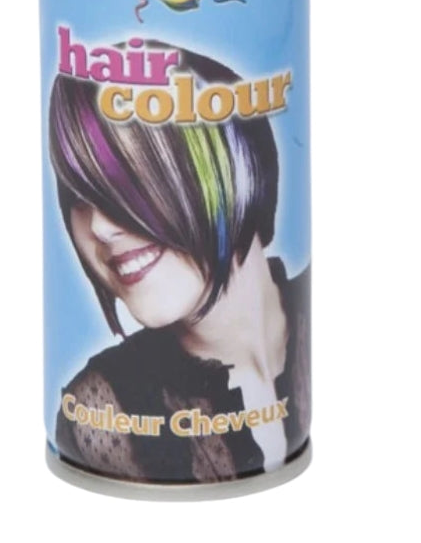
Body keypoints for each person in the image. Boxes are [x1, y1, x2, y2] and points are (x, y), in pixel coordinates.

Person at [47, 44, 310, 482]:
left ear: (226, 163)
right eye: (79, 195)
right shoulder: (101, 412)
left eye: (127, 176)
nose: (99, 226)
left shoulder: (315, 318)